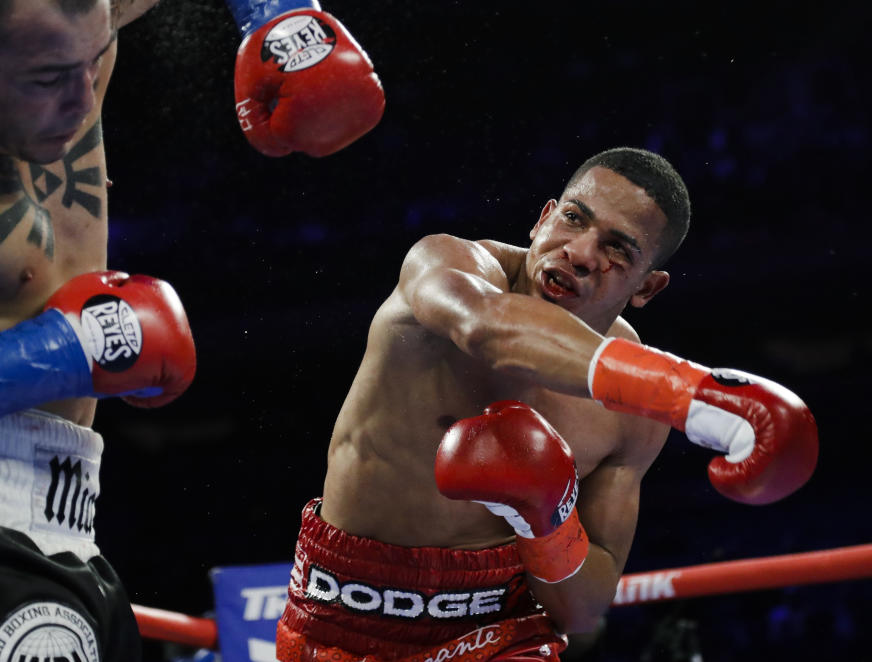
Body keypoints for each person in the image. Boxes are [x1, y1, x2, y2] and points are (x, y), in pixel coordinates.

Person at [0, 0, 382, 660]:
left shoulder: (58, 37)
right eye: (48, 79)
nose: (83, 100)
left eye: (96, 59)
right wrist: (60, 354)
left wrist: (276, 13)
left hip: (63, 528)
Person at [275, 147, 818, 661]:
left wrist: (550, 524)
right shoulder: (446, 264)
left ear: (646, 287)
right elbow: (486, 329)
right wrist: (689, 396)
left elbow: (582, 610)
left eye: (617, 249)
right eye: (575, 220)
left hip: (498, 629)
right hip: (342, 613)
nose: (580, 254)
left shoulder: (629, 416)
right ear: (543, 219)